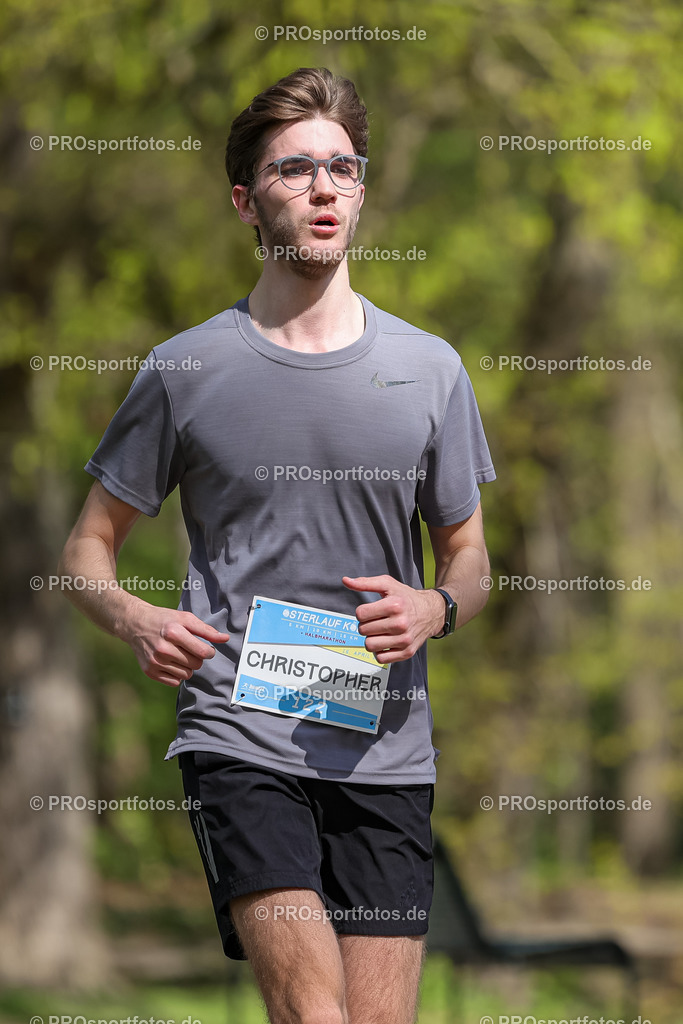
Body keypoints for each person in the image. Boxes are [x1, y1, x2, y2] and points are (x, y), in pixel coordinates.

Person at [60, 67, 495, 1024]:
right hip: (240, 733)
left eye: (343, 166)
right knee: (316, 1015)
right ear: (245, 200)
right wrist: (133, 617)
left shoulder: (429, 370)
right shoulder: (187, 369)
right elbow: (86, 548)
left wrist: (437, 605)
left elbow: (469, 556)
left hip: (385, 751)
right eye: (294, 170)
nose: (326, 188)